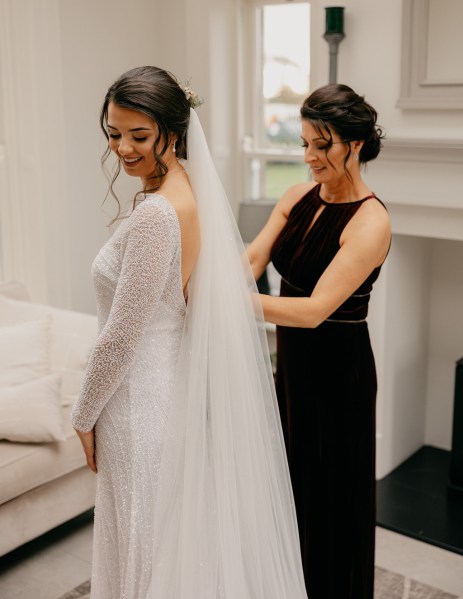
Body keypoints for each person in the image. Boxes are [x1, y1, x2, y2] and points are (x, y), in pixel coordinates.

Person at [71, 66, 307, 599]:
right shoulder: (187, 187)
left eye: (139, 135)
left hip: (138, 404)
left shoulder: (159, 215)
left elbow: (121, 336)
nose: (123, 149)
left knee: (143, 547)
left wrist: (82, 413)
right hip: (162, 393)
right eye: (113, 133)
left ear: (171, 133)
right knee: (166, 546)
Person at [247, 83, 391, 599]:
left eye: (321, 145)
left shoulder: (371, 222)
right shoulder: (297, 196)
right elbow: (254, 261)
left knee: (332, 501)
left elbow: (312, 312)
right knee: (290, 492)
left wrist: (228, 303)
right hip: (294, 371)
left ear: (355, 144)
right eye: (304, 143)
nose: (309, 157)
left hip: (339, 377)